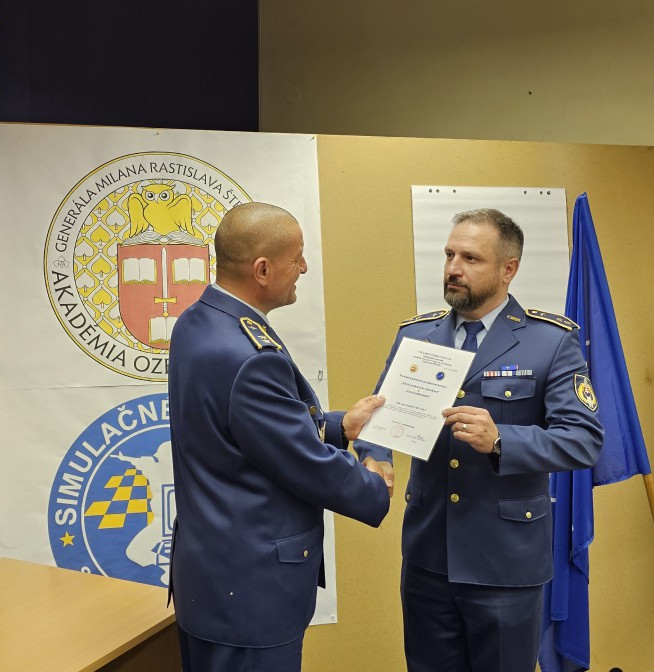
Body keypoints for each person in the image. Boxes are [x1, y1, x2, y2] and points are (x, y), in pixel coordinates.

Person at [354, 208, 605, 671]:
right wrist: (375, 455)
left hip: (505, 560)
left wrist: (501, 440)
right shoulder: (417, 334)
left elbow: (583, 439)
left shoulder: (550, 341)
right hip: (429, 553)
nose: (453, 268)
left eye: (470, 258)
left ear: (508, 269)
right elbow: (380, 413)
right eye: (449, 254)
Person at [168, 201, 394, 671]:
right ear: (263, 269)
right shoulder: (250, 355)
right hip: (250, 599)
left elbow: (245, 435)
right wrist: (373, 483)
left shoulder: (198, 321)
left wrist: (339, 426)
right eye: (297, 258)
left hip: (212, 581)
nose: (304, 267)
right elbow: (305, 464)